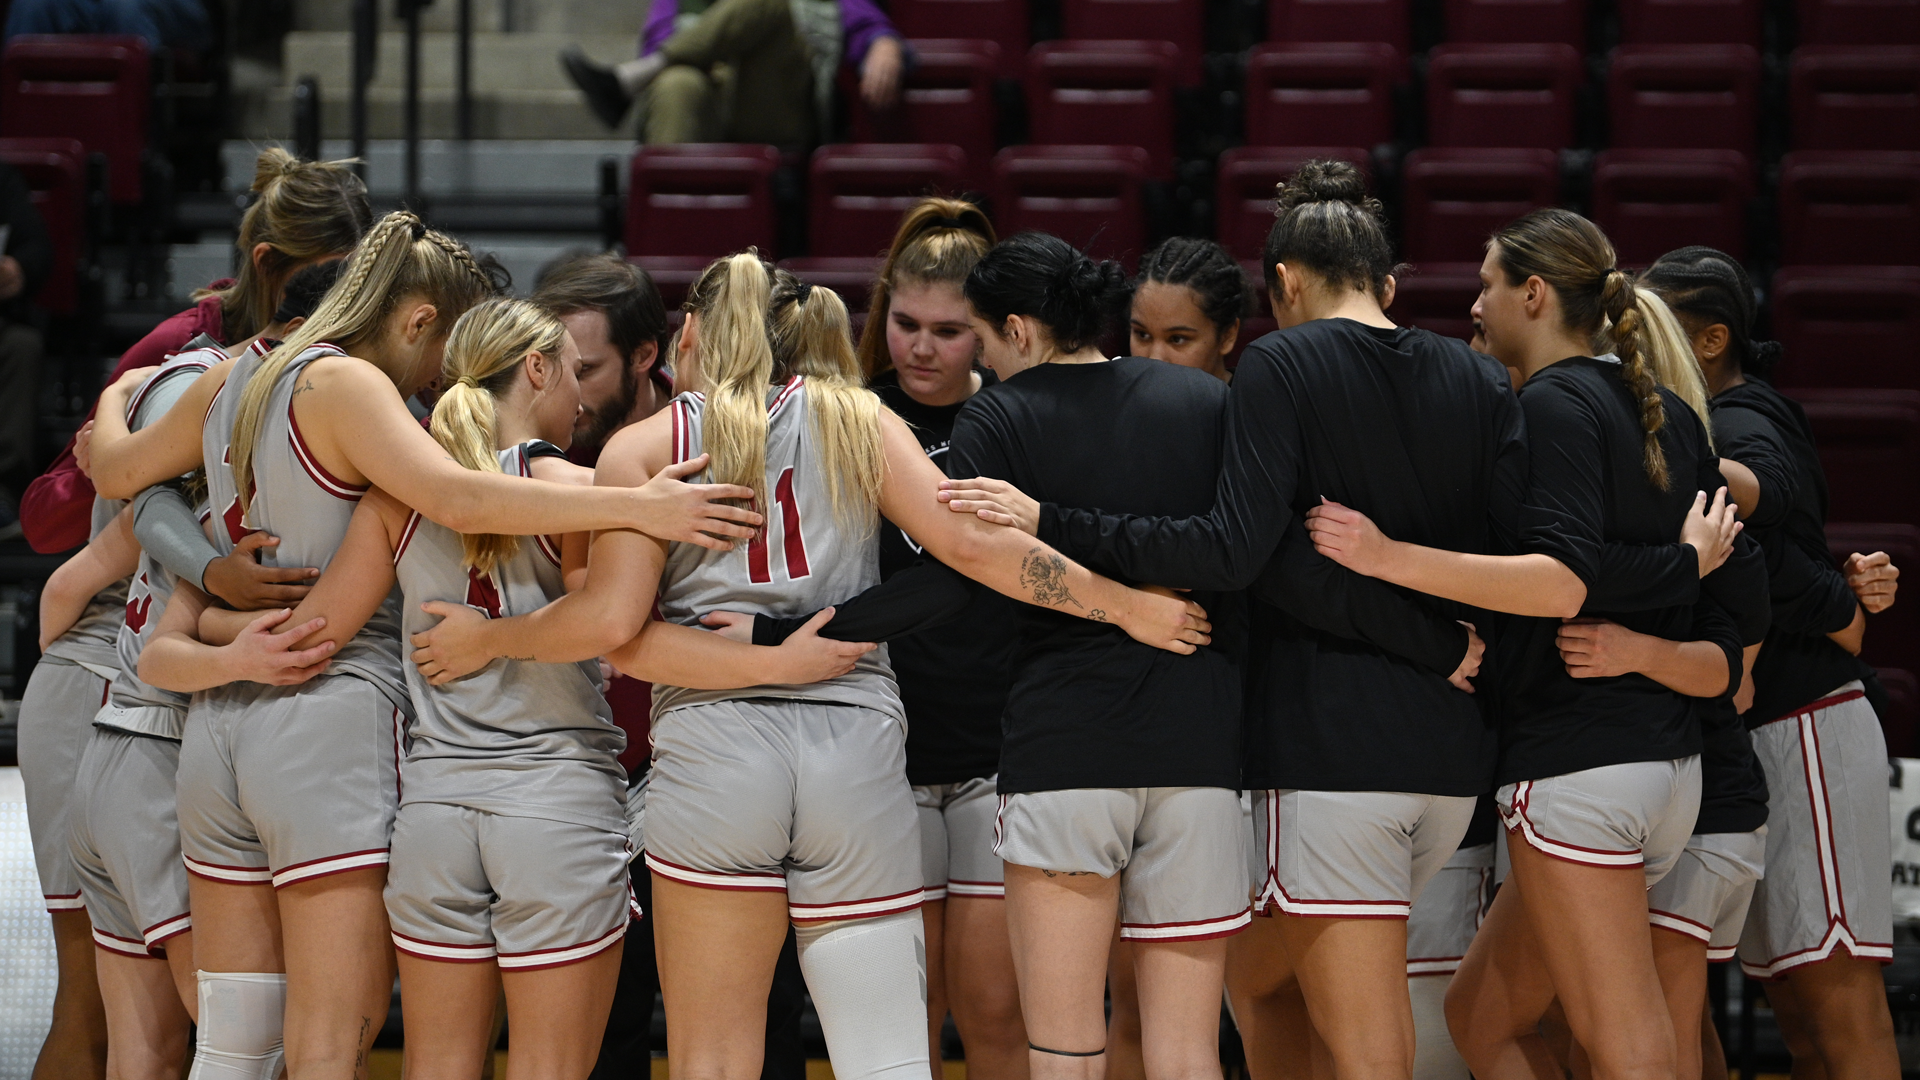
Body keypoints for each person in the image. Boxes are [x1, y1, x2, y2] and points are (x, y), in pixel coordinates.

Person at [405, 253, 1209, 1080]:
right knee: (886, 1058)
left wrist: (764, 664)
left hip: (714, 750)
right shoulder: (854, 416)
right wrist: (1126, 603)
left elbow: (619, 635)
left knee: (714, 1061)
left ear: (689, 335)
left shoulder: (643, 448)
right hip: (851, 740)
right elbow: (973, 550)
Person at [83, 211, 765, 1080]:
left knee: (237, 1042)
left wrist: (213, 603)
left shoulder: (231, 382)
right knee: (336, 1046)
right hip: (363, 732)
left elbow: (124, 482)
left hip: (242, 728)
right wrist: (635, 507)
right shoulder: (371, 400)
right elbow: (475, 509)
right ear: (423, 324)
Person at [943, 164, 1518, 1080]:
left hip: (1325, 754)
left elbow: (1242, 553)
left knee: (1329, 1035)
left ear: (1282, 284)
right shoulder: (1479, 379)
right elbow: (1513, 552)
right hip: (1449, 760)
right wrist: (1448, 642)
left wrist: (1056, 527)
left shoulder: (1278, 366)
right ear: (1389, 281)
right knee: (1256, 997)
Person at [1298, 209, 1762, 1080]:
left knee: (1625, 1041)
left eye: (1486, 285)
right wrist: (1674, 578)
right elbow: (1743, 602)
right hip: (1666, 769)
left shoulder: (1551, 406)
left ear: (1535, 292)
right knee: (1482, 1018)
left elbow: (1559, 580)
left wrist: (1386, 556)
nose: (1476, 305)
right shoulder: (1664, 412)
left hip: (1579, 766)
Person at [943, 232, 1248, 1080]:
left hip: (1066, 747)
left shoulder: (996, 416)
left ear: (1021, 329)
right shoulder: (1206, 404)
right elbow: (1240, 553)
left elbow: (983, 558)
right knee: (1189, 1050)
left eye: (980, 338)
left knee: (1065, 1044)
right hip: (1199, 748)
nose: (981, 360)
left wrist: (1120, 609)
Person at [1644, 246, 1904, 1080]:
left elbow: (1773, 496)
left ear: (1711, 339)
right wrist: (1841, 600)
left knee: (1837, 1008)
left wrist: (1839, 606)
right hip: (1749, 733)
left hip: (1809, 730)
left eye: (1655, 328)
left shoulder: (1745, 415)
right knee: (1789, 1005)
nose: (1633, 343)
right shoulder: (1690, 420)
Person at [855, 198, 1027, 1080]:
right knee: (907, 1004)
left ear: (992, 330)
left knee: (995, 1006)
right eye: (906, 323)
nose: (920, 347)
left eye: (949, 331)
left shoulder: (1021, 417)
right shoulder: (848, 417)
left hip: (997, 746)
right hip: (886, 750)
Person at [22, 147, 371, 554]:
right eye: (325, 280)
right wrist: (95, 468)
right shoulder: (179, 346)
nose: (339, 303)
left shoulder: (362, 338)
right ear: (265, 263)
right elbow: (41, 522)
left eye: (355, 284)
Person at [559, 0, 904, 147]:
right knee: (676, 86)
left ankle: (628, 82)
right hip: (709, 96)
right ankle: (668, 247)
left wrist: (882, 41)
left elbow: (861, 18)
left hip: (775, 102)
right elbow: (661, 31)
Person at [0, 161, 53, 518]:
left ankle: (4, 489)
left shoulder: (3, 180)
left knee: (22, 346)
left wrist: (19, 269)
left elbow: (38, 249)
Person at [1127, 238, 1247, 384]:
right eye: (1142, 335)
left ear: (1227, 336)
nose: (1155, 359)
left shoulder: (1254, 406)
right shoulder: (1115, 402)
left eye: (1177, 339)